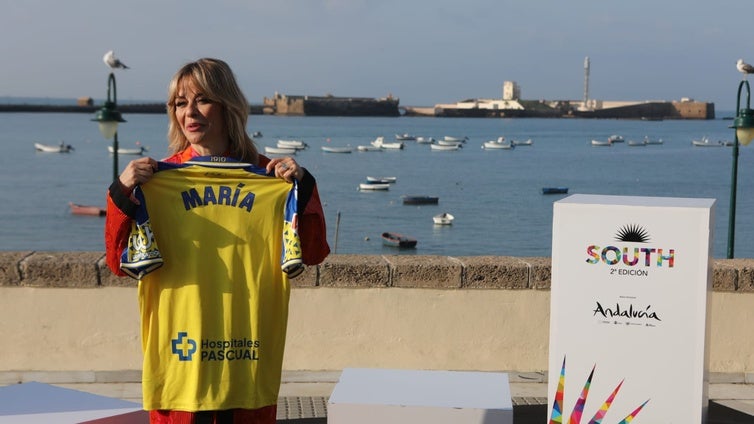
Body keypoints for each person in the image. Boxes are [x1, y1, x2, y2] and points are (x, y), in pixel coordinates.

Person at [104, 58, 330, 424]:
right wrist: (121, 193)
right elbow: (119, 263)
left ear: (229, 106)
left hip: (246, 359)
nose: (189, 112)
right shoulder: (154, 183)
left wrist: (302, 187)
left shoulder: (270, 178)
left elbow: (314, 253)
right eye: (180, 103)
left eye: (202, 99)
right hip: (180, 362)